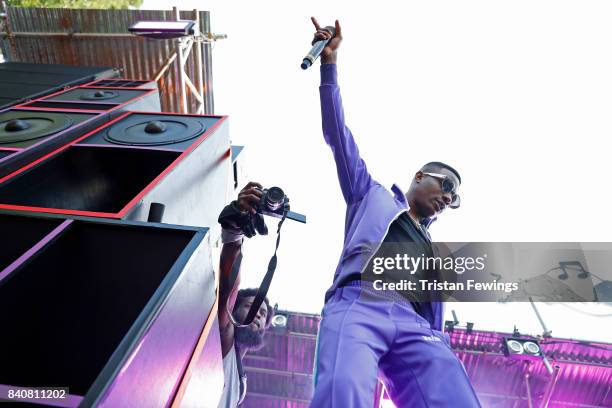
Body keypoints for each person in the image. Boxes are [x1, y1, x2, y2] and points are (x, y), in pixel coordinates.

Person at [309, 17, 481, 407]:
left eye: (454, 199)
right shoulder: (369, 194)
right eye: (446, 186)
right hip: (360, 301)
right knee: (343, 388)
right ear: (420, 176)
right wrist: (330, 66)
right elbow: (338, 134)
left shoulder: (433, 252)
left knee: (454, 396)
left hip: (416, 325)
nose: (448, 198)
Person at [217, 182, 274, 408]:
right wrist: (234, 231)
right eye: (251, 306)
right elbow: (229, 288)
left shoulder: (241, 387)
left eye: (262, 314)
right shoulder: (225, 338)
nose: (258, 314)